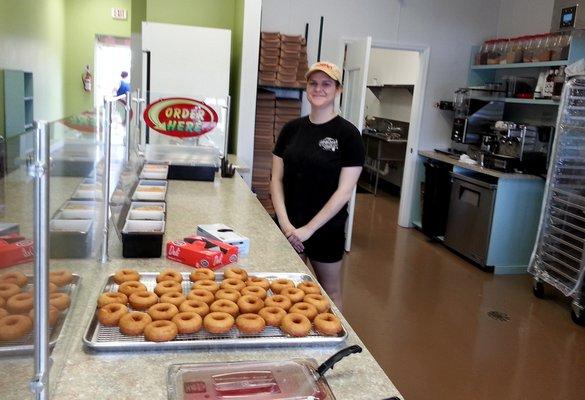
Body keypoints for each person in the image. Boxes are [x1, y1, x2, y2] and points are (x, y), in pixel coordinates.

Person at [270, 61, 365, 311]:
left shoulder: (349, 135)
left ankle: (335, 345)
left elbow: (344, 192)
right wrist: (286, 224)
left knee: (330, 293)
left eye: (326, 84)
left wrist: (308, 230)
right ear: (306, 87)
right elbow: (276, 180)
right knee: (286, 294)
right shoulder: (291, 130)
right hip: (289, 227)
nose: (319, 88)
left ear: (338, 90)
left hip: (325, 230)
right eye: (313, 83)